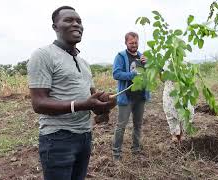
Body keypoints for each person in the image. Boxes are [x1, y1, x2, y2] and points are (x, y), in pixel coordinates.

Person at [27, 6, 115, 180]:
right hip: (58, 139)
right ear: (55, 27)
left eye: (79, 21)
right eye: (69, 20)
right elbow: (38, 103)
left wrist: (107, 104)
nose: (76, 24)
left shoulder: (84, 63)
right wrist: (83, 104)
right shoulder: (43, 55)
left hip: (84, 137)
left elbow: (93, 103)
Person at [112, 32, 150, 160]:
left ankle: (136, 150)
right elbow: (116, 74)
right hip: (126, 97)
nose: (134, 45)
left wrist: (148, 65)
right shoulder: (121, 56)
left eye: (136, 42)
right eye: (131, 43)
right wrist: (132, 75)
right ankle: (116, 154)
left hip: (140, 97)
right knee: (121, 126)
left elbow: (148, 75)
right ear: (126, 43)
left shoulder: (142, 57)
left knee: (138, 125)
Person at [162, 63, 194, 143]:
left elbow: (188, 79)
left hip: (182, 92)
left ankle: (182, 133)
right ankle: (174, 134)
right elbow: (163, 79)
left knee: (185, 110)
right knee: (170, 112)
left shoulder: (184, 63)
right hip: (169, 91)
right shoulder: (164, 64)